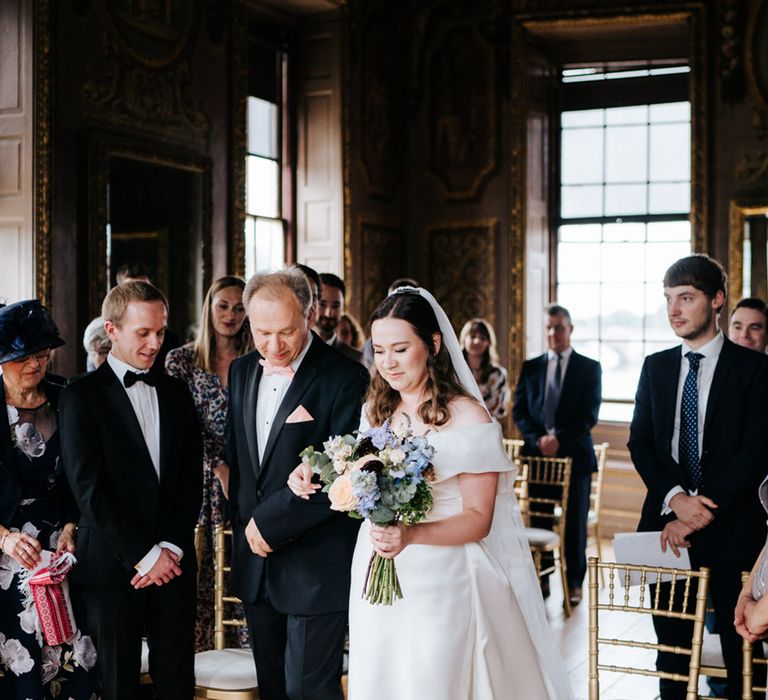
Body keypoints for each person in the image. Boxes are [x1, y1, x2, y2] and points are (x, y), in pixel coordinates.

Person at [288, 287, 573, 700]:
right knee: (383, 676)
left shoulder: (468, 417)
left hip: (446, 578)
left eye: (401, 349)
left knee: (432, 681)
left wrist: (412, 535)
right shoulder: (377, 410)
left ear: (433, 344)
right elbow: (355, 468)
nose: (387, 363)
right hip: (376, 567)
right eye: (379, 349)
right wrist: (315, 470)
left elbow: (479, 517)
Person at [224, 269, 369, 700]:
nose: (273, 345)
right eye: (262, 332)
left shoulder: (346, 377)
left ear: (309, 314)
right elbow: (241, 462)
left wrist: (266, 522)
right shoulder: (241, 370)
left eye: (286, 331)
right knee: (272, 689)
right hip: (255, 562)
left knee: (309, 690)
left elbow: (345, 476)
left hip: (316, 564)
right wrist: (246, 533)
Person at [628, 254, 768, 700]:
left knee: (741, 649)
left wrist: (699, 507)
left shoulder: (755, 370)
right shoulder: (656, 366)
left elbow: (757, 452)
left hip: (734, 527)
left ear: (717, 300)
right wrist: (675, 498)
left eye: (686, 298)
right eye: (669, 299)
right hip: (665, 528)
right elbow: (641, 443)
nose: (674, 310)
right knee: (670, 652)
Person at [60, 281, 203, 699]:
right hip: (112, 565)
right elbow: (89, 488)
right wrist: (145, 555)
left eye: (160, 331)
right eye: (144, 332)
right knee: (117, 685)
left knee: (177, 682)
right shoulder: (80, 395)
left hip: (173, 565)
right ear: (113, 330)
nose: (155, 342)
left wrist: (171, 549)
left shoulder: (177, 392)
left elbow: (190, 479)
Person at [0, 300, 97, 698]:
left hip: (62, 553)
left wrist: (74, 524)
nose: (35, 366)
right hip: (7, 557)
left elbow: (88, 474)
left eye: (41, 355)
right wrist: (4, 537)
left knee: (71, 661)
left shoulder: (67, 396)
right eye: (23, 357)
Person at [165, 275, 251, 650]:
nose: (231, 314)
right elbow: (175, 425)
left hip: (247, 477)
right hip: (196, 480)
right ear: (209, 307)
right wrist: (216, 465)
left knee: (243, 569)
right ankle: (200, 659)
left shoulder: (257, 361)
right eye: (223, 305)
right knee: (200, 571)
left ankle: (244, 660)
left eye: (239, 306)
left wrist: (238, 472)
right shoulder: (181, 360)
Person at [512, 304, 602, 605]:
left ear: (570, 329)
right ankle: (544, 580)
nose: (553, 333)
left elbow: (589, 414)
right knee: (539, 520)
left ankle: (575, 583)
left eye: (559, 327)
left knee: (575, 524)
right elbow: (520, 410)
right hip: (538, 457)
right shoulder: (532, 366)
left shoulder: (589, 368)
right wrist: (538, 439)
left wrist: (558, 439)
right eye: (549, 327)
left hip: (575, 456)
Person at [459, 317, 510, 420]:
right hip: (457, 426)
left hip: (487, 425)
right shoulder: (453, 371)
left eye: (482, 338)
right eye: (472, 336)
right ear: (464, 339)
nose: (477, 341)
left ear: (488, 343)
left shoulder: (498, 374)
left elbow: (498, 408)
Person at [315, 273, 364, 364]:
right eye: (322, 304)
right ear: (311, 304)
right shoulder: (294, 350)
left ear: (343, 308)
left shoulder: (354, 358)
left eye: (336, 306)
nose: (329, 313)